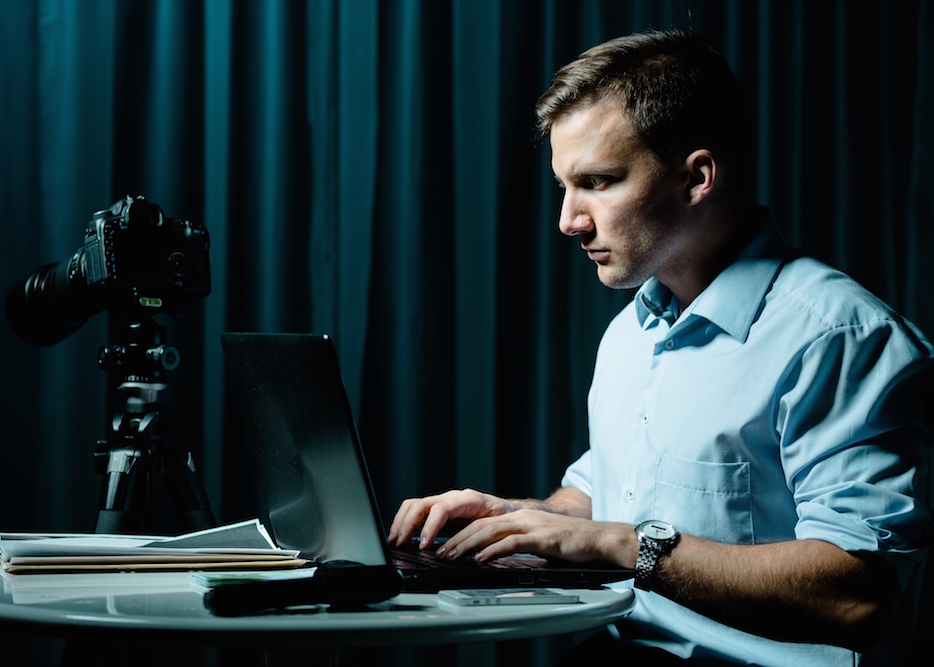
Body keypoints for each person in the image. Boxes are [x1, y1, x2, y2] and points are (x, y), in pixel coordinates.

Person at [387, 29, 933, 666]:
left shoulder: (840, 340)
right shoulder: (631, 330)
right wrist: (517, 517)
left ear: (697, 178)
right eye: (564, 186)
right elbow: (608, 498)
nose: (569, 219)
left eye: (597, 182)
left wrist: (623, 546)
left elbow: (858, 599)